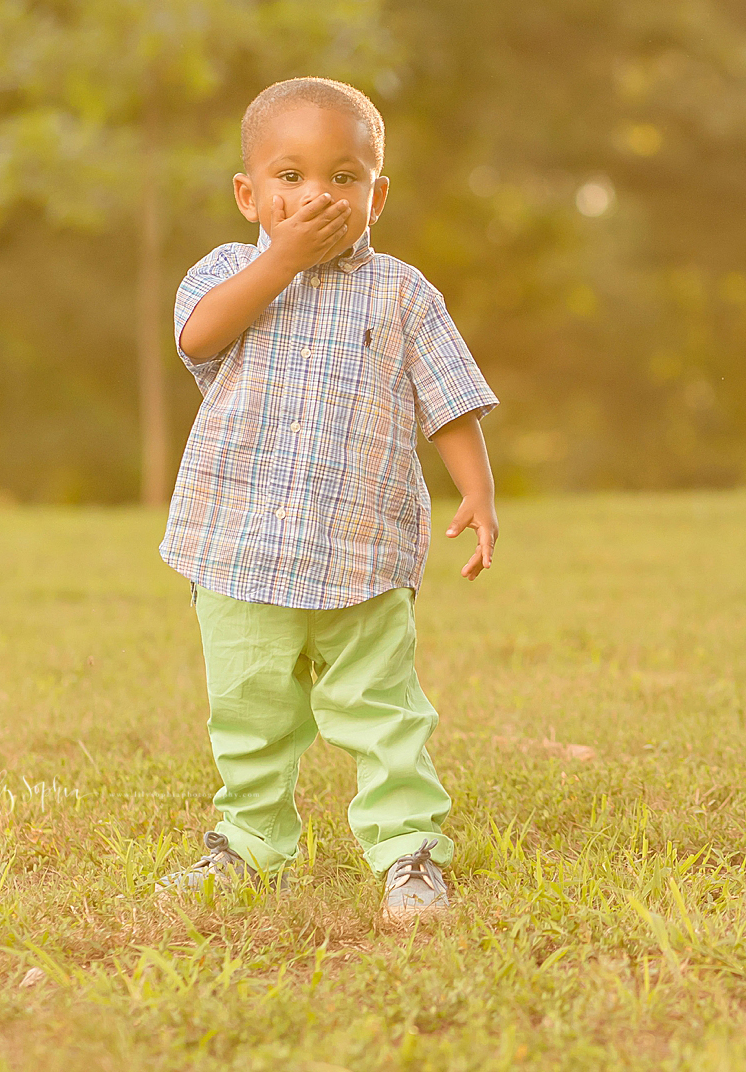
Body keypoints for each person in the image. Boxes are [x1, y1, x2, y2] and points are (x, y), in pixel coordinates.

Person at [154, 76, 499, 924]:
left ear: (377, 195)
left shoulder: (404, 294)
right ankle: (247, 841)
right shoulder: (228, 273)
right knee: (250, 711)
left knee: (384, 713)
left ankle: (408, 851)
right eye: (292, 177)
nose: (318, 196)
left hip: (362, 548)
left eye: (344, 179)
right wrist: (282, 259)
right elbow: (197, 337)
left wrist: (479, 492)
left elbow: (447, 399)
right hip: (238, 546)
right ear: (250, 195)